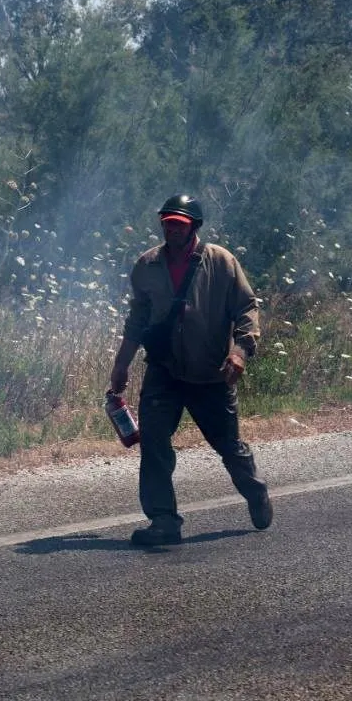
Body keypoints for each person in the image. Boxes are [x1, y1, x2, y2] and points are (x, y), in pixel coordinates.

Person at [109, 194, 273, 546]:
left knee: (228, 445)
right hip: (163, 372)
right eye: (167, 223)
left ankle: (255, 491)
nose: (171, 229)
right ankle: (164, 521)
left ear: (194, 227)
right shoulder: (147, 265)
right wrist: (121, 365)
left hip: (210, 374)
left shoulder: (221, 262)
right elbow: (137, 320)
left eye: (179, 224)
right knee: (153, 443)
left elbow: (246, 309)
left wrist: (240, 352)